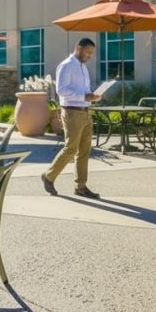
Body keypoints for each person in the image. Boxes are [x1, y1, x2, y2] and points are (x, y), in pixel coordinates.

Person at [41, 38, 103, 199]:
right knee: (71, 148)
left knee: (84, 150)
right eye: (88, 52)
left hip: (85, 111)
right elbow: (61, 90)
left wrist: (93, 96)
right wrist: (85, 96)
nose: (90, 56)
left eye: (91, 53)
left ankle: (80, 186)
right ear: (78, 48)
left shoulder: (84, 68)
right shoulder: (66, 65)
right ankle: (48, 176)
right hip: (72, 112)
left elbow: (85, 90)